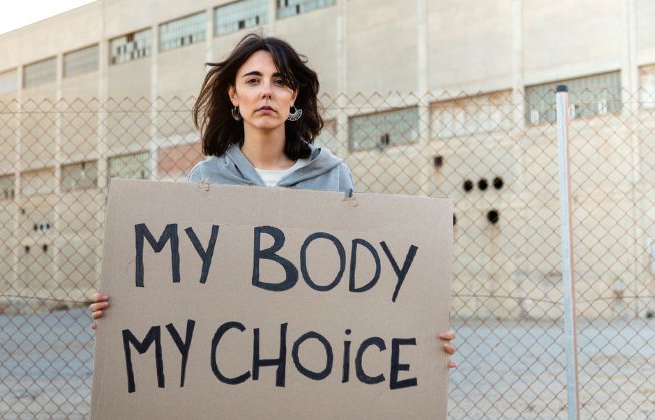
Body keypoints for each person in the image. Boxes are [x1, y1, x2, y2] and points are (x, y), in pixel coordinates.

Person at [90, 33, 456, 367]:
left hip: (310, 361)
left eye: (280, 82)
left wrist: (420, 343)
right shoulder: (205, 179)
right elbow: (185, 289)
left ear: (293, 96)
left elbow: (355, 287)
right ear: (234, 95)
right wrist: (126, 310)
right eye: (253, 80)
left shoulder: (332, 175)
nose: (267, 91)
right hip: (231, 364)